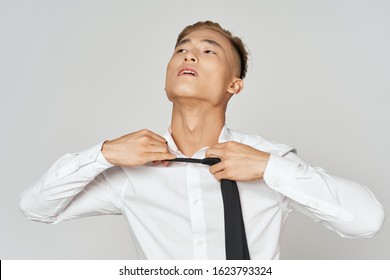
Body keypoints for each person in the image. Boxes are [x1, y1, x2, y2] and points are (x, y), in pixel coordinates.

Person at [20, 21, 384, 259]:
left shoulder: (270, 160)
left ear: (234, 84)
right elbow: (35, 207)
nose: (189, 53)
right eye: (181, 49)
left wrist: (270, 167)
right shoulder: (131, 169)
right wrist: (103, 154)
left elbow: (367, 220)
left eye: (209, 50)